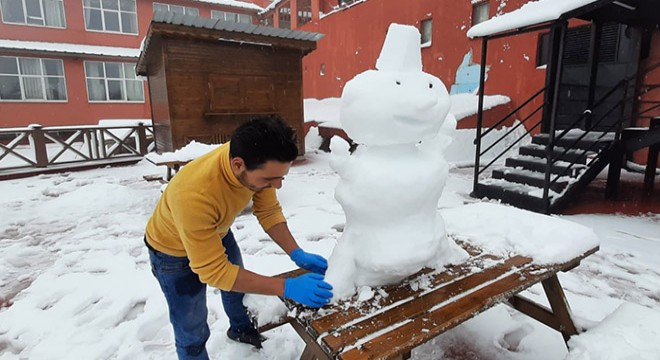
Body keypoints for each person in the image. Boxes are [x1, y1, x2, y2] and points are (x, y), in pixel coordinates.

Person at [144, 116, 333, 359]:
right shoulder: (193, 194)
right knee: (191, 326)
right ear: (237, 165)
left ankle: (241, 331)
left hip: (216, 231)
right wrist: (287, 287)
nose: (277, 186)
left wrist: (296, 252)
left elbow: (268, 211)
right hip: (171, 252)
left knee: (237, 292)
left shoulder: (254, 162)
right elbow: (215, 273)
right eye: (269, 179)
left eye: (281, 178)